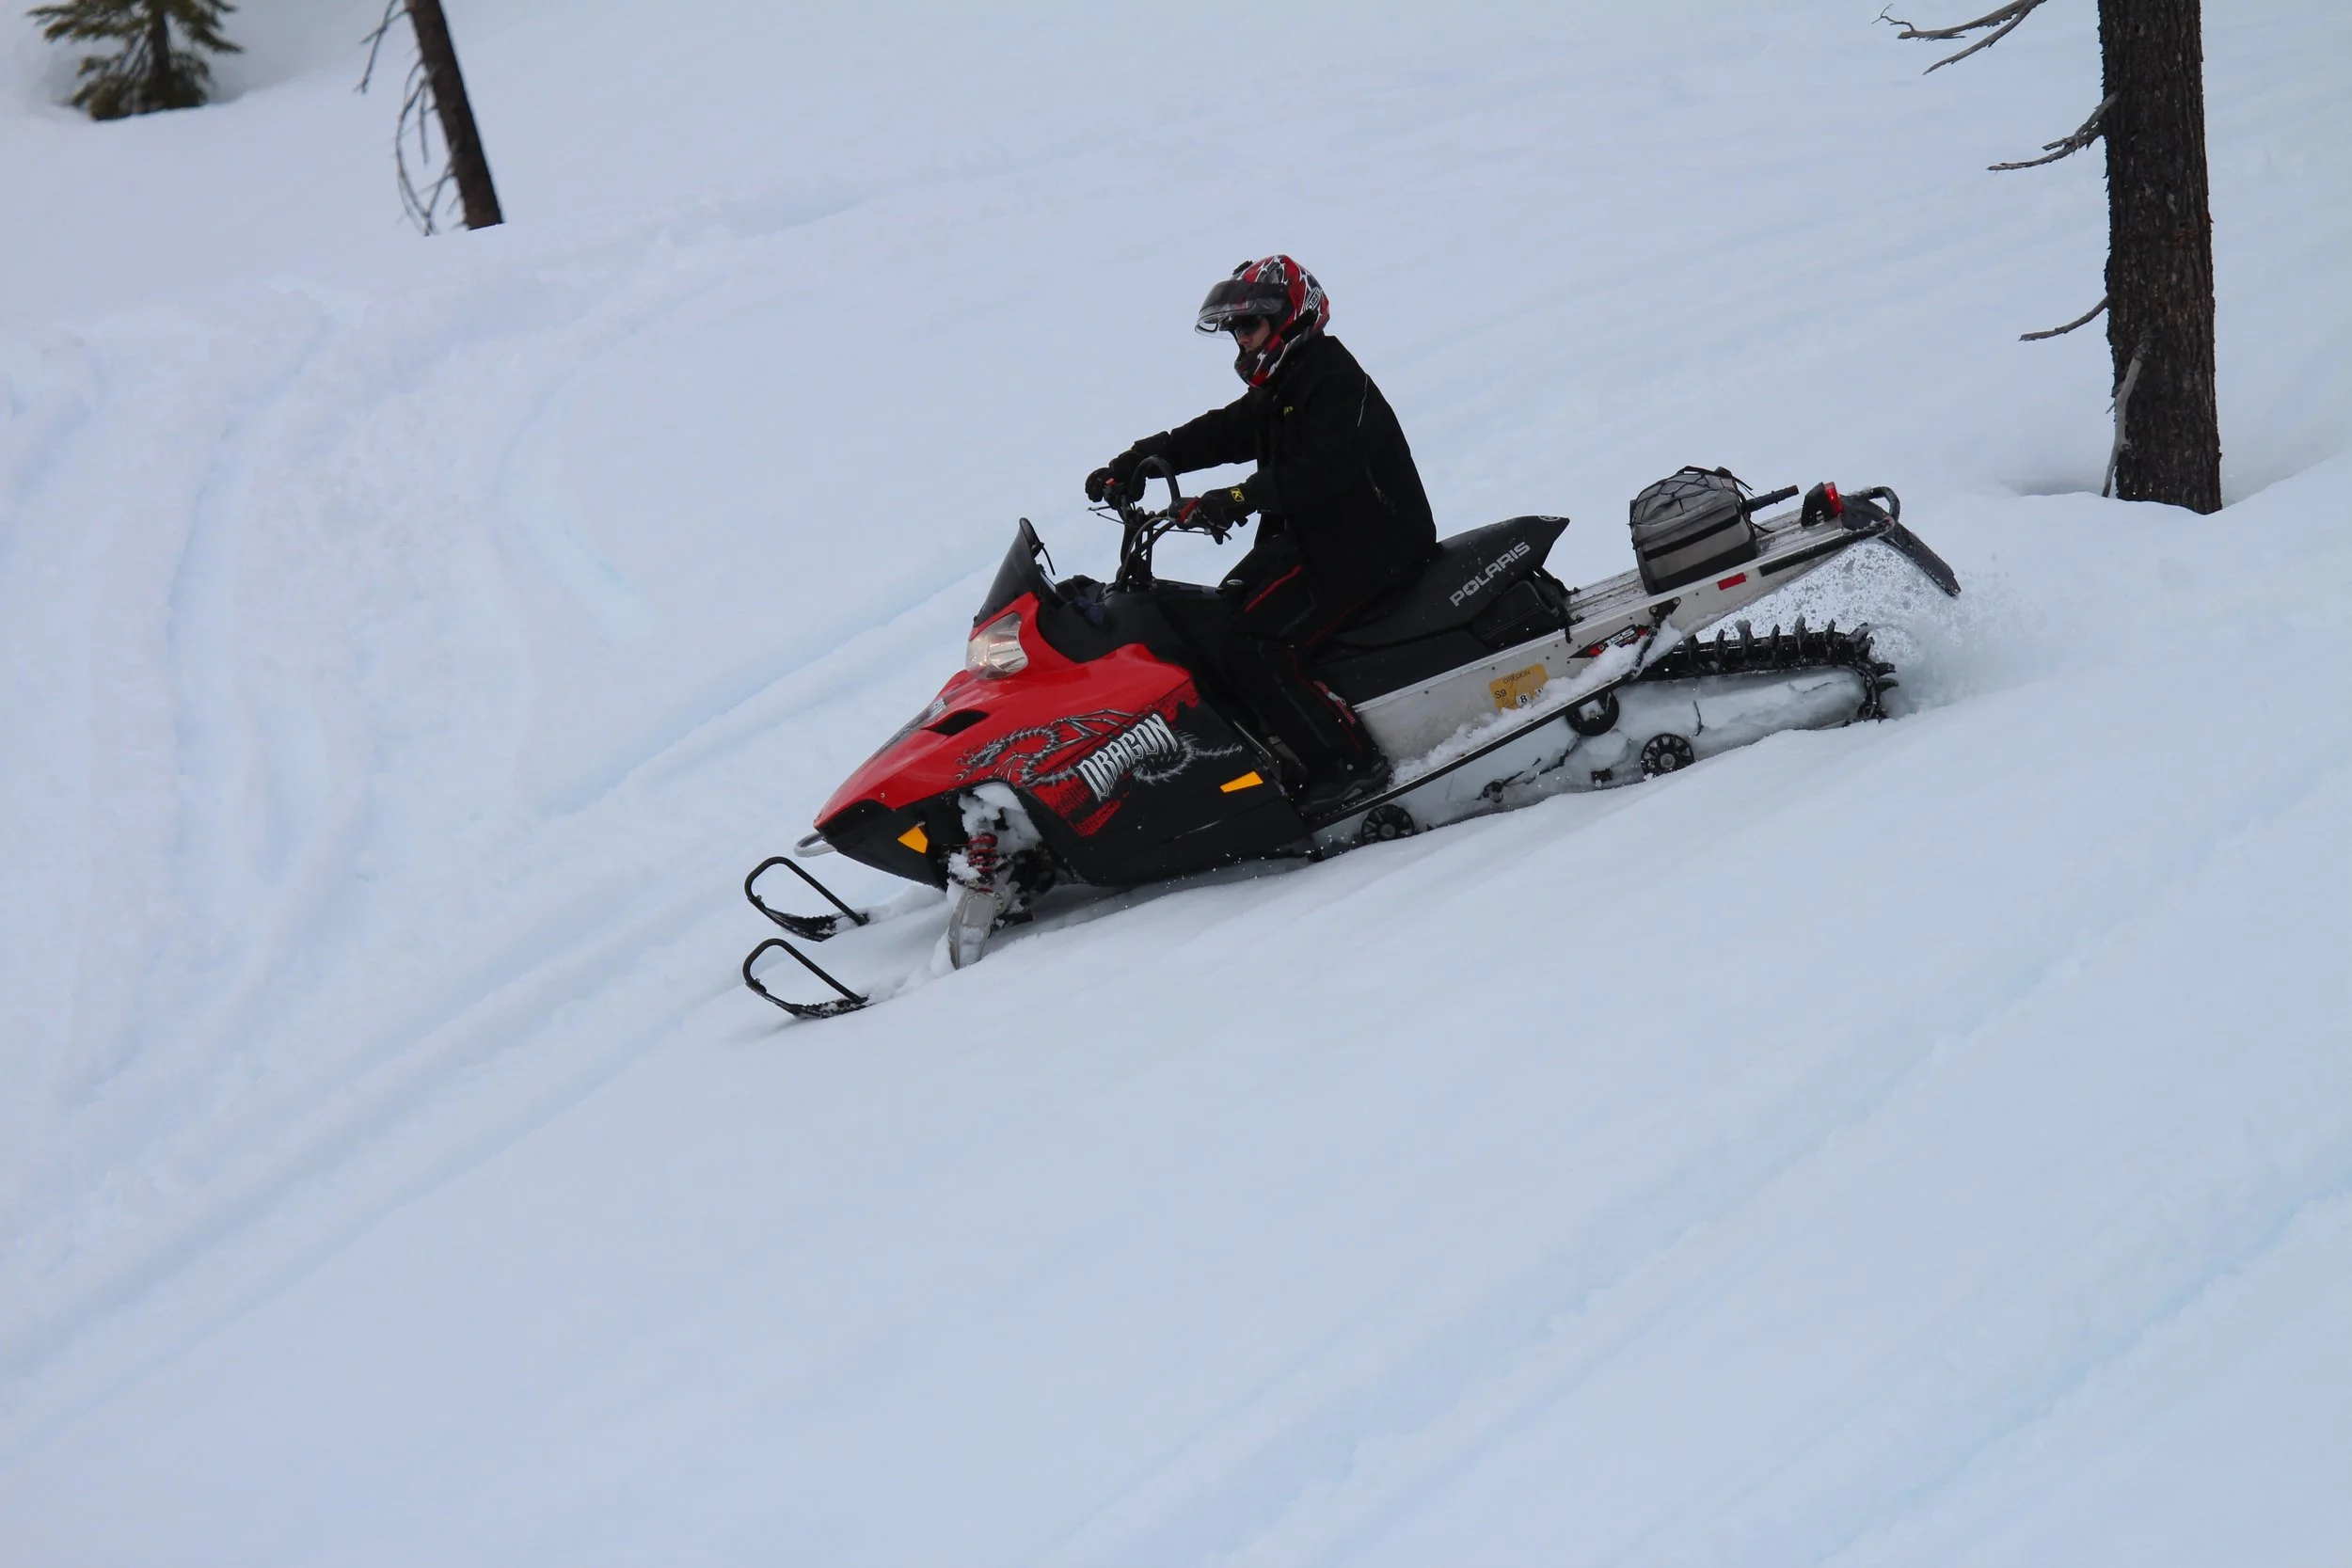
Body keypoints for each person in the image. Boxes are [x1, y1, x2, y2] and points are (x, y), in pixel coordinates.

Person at [1085, 256, 1437, 816]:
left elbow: (1322, 471)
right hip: (1321, 536)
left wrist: (1236, 498)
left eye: (1249, 325)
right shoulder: (1286, 382)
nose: (1242, 339)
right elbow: (1223, 431)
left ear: (1291, 316)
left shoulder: (1331, 379)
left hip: (1371, 540)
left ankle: (1347, 763)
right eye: (1235, 330)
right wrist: (1138, 460)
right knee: (1217, 614)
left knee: (1251, 642)